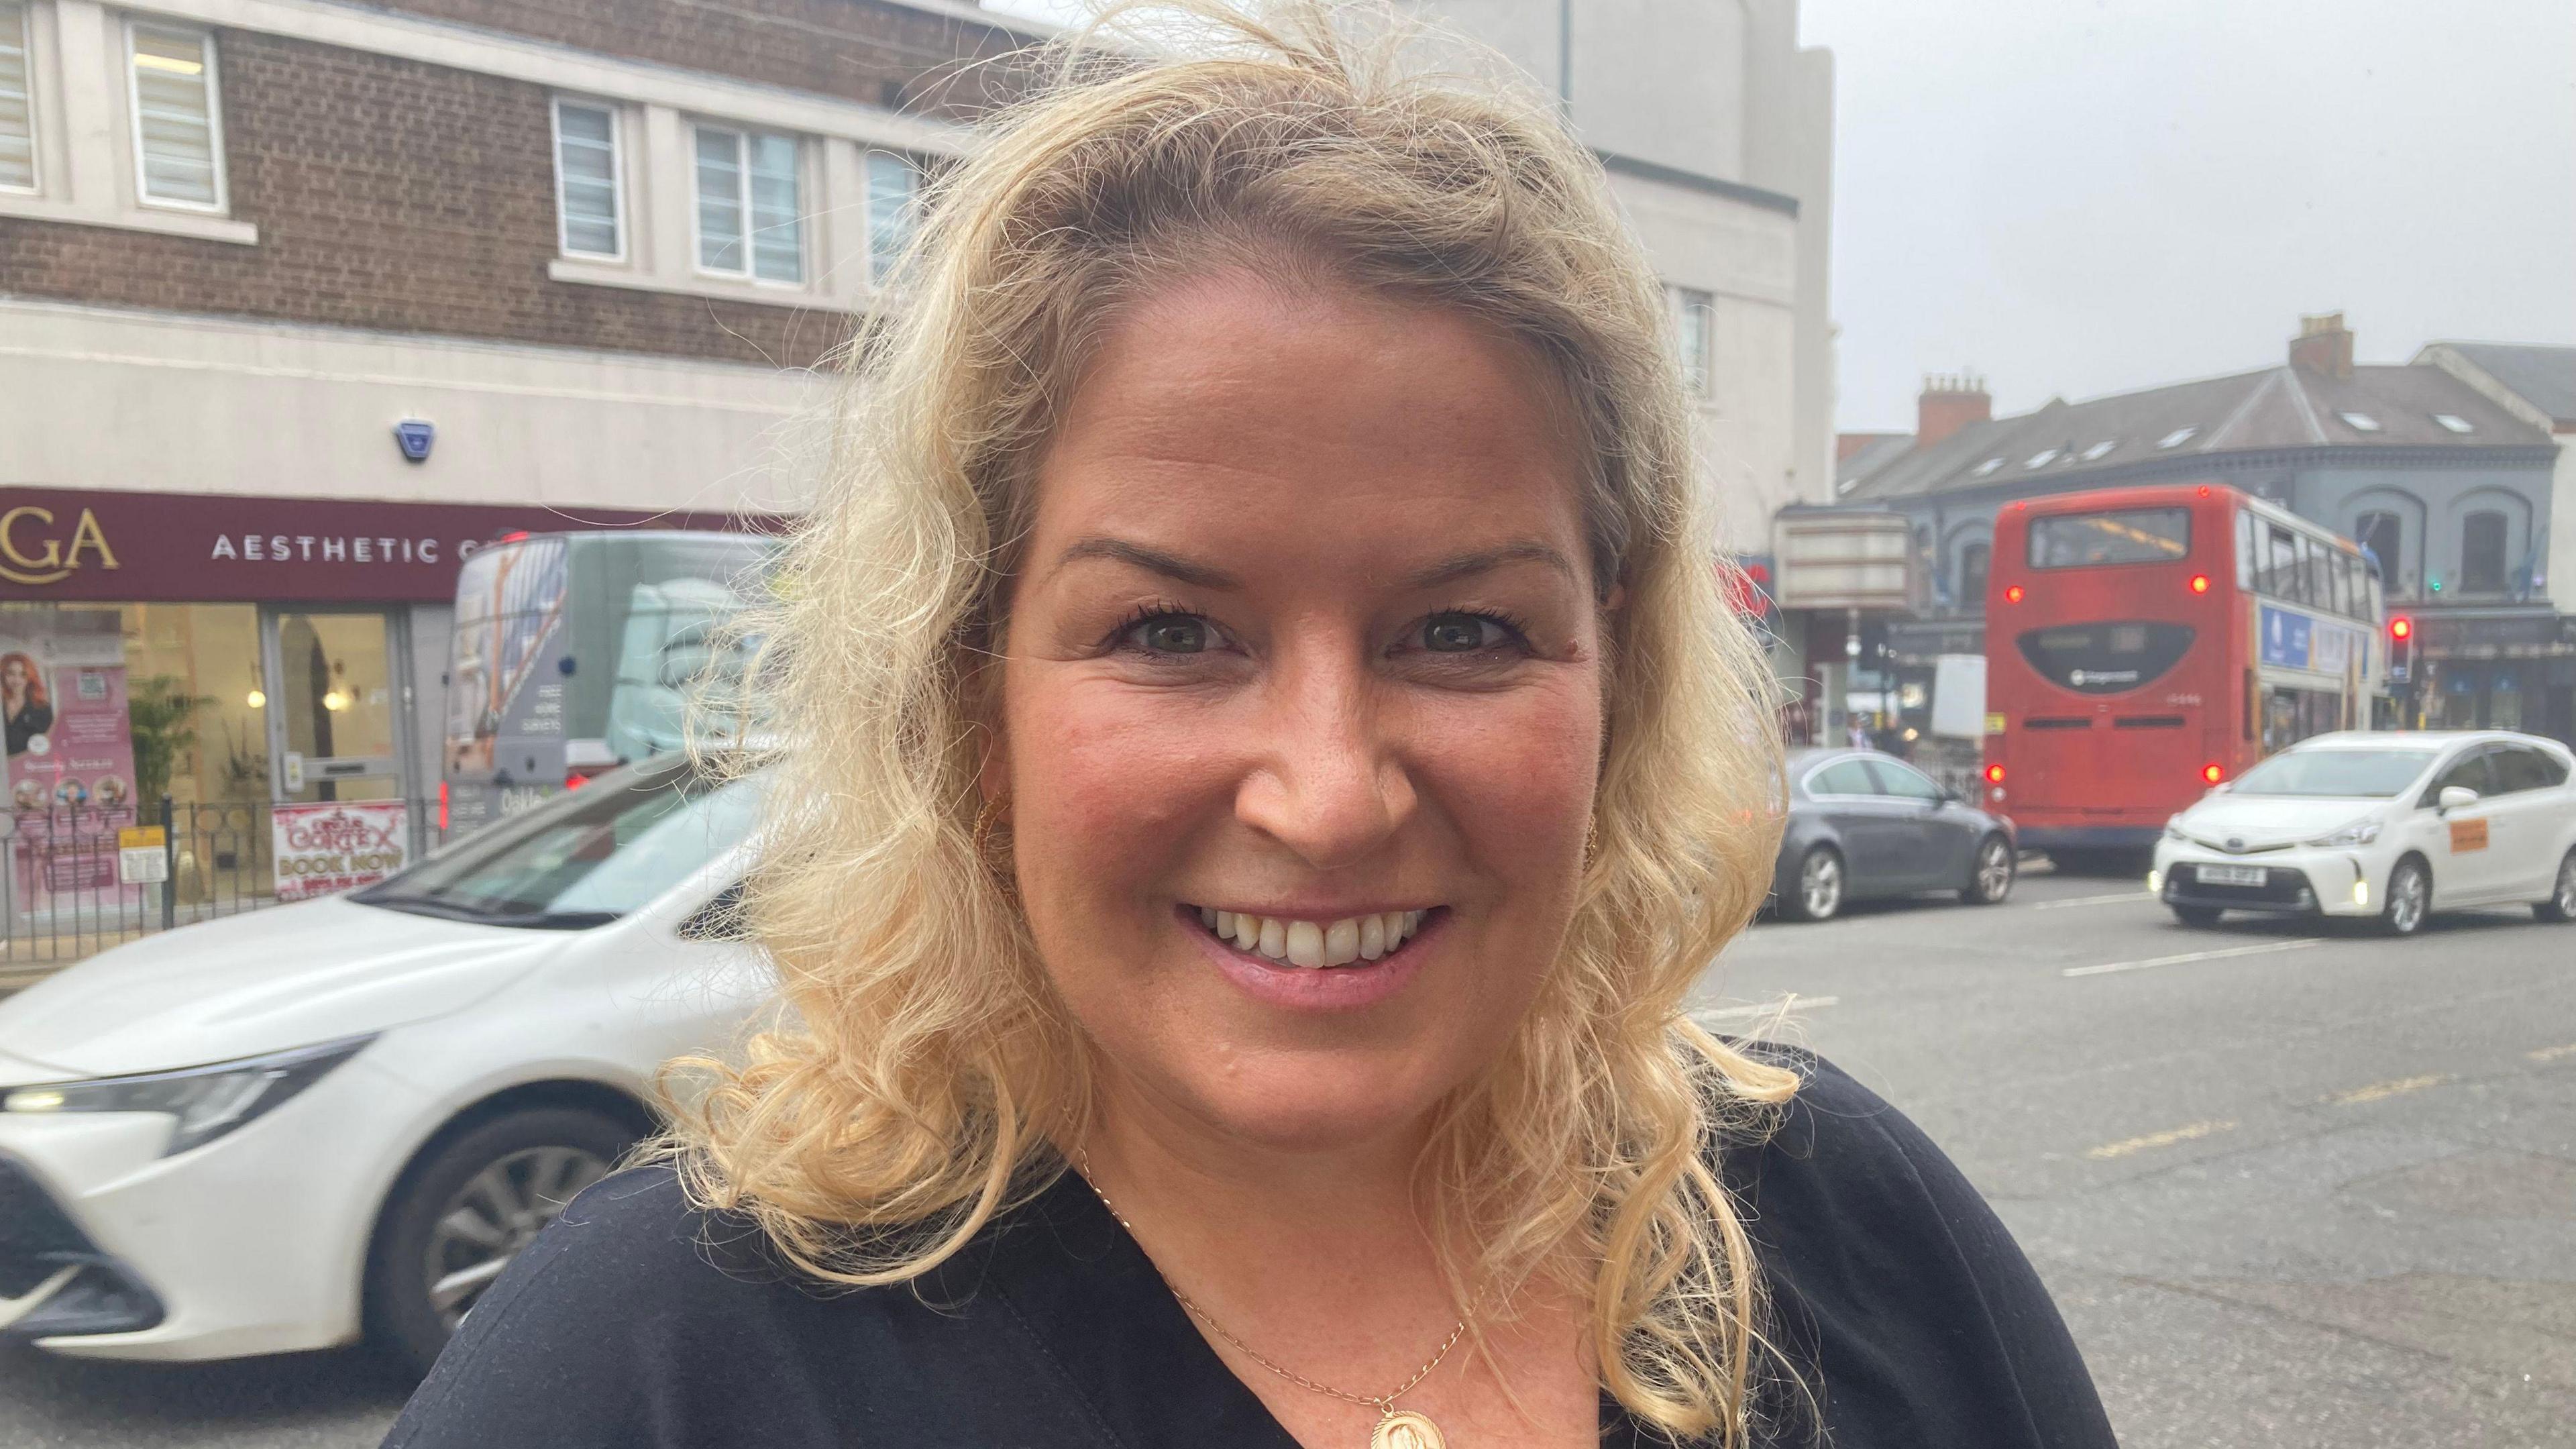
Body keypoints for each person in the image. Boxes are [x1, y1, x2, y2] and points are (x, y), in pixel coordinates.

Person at [386, 5, 2115, 1446]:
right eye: (1168, 631)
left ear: (1621, 685)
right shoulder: (660, 1365)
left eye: (1461, 629)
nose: (1326, 793)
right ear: (968, 698)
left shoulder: (1845, 1227)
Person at [2, 651, 51, 758]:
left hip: (29, 768)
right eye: (11, 673)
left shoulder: (42, 708)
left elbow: (48, 745)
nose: (16, 680)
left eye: (23, 674)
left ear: (30, 678)